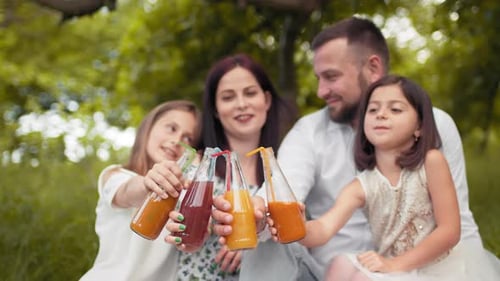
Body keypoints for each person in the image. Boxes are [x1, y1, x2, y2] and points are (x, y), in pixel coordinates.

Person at [212, 16, 485, 280]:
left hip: (422, 266)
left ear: (373, 68)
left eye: (331, 76)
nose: (321, 91)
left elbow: (457, 222)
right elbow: (283, 190)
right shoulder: (312, 135)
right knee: (273, 242)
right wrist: (261, 213)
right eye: (318, 78)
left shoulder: (433, 126)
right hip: (334, 270)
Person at [272, 75, 500, 281]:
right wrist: (298, 227)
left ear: (419, 126)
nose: (381, 114)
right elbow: (323, 229)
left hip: (441, 268)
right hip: (395, 268)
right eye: (373, 110)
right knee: (339, 266)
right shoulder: (361, 185)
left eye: (396, 109)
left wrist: (393, 265)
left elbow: (449, 231)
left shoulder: (431, 162)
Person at [164, 53, 288, 280]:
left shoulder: (285, 169)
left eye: (250, 93)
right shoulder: (195, 167)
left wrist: (256, 235)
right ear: (214, 109)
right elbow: (180, 224)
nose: (242, 104)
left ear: (267, 100)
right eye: (228, 97)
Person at [80, 100, 202, 281]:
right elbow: (127, 192)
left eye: (188, 138)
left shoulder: (184, 197)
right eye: (171, 128)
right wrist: (147, 184)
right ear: (149, 128)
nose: (177, 141)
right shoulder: (115, 175)